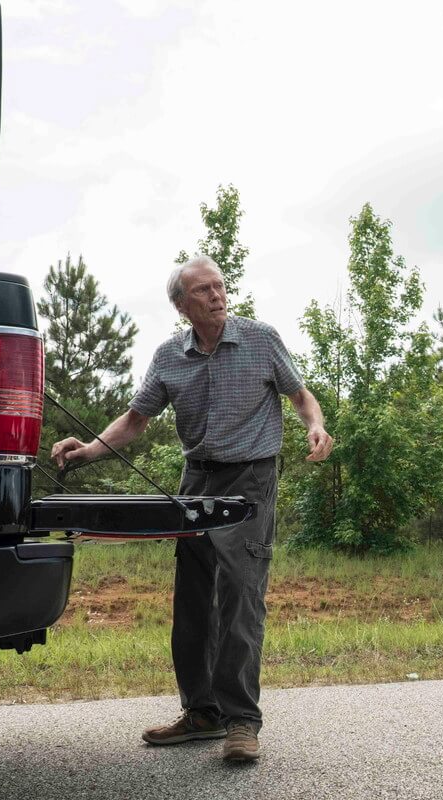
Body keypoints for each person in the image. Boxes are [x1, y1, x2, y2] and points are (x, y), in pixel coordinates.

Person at [51, 255, 333, 762]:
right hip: (196, 477)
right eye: (203, 290)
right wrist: (90, 451)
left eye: (219, 286)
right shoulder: (168, 356)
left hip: (251, 478)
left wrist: (314, 424)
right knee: (194, 597)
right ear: (181, 305)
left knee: (242, 597)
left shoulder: (260, 339)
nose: (216, 295)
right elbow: (136, 420)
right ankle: (201, 712)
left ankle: (242, 721)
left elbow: (300, 395)